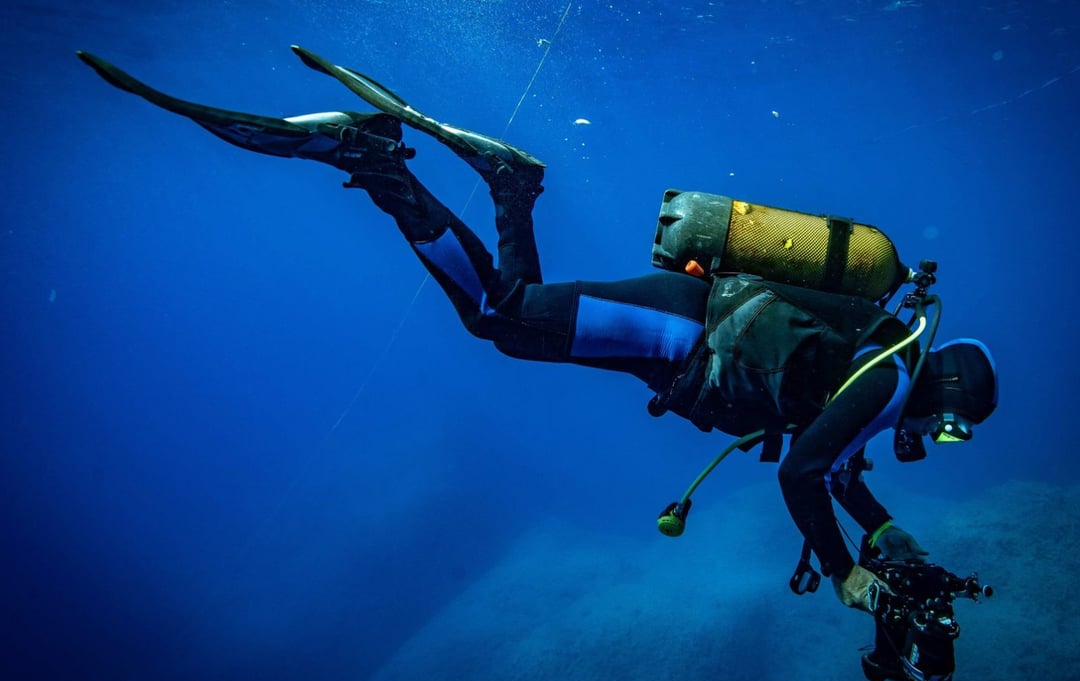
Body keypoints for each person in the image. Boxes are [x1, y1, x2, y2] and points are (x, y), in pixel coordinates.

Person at [77, 47, 998, 616]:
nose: (939, 439)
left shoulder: (881, 375)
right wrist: (844, 571)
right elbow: (803, 470)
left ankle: (509, 184)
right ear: (945, 391)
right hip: (675, 331)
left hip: (675, 344)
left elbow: (831, 464)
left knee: (508, 315)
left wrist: (886, 535)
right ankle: (373, 158)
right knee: (497, 319)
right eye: (953, 425)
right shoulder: (887, 377)